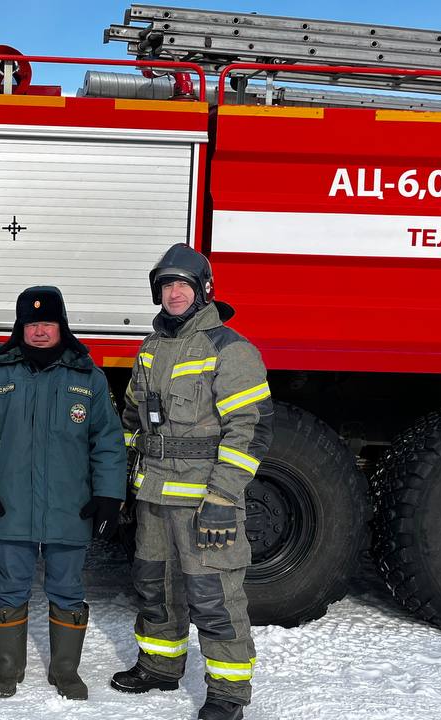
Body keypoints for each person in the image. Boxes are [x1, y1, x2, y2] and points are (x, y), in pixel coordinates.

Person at [109, 243, 273, 720]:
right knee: (153, 585)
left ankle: (227, 696)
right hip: (153, 496)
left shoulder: (231, 348)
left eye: (183, 284)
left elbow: (252, 428)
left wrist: (223, 496)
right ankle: (161, 666)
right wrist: (124, 481)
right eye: (166, 285)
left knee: (214, 597)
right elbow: (132, 418)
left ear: (204, 290)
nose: (174, 293)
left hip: (205, 500)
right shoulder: (151, 347)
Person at [0, 286, 126, 700]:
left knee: (68, 589)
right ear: (21, 328)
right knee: (10, 586)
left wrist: (109, 496)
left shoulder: (87, 378)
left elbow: (107, 442)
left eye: (47, 324)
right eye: (32, 324)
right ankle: (8, 668)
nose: (39, 332)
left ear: (61, 327)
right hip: (11, 504)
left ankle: (65, 671)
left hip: (69, 507)